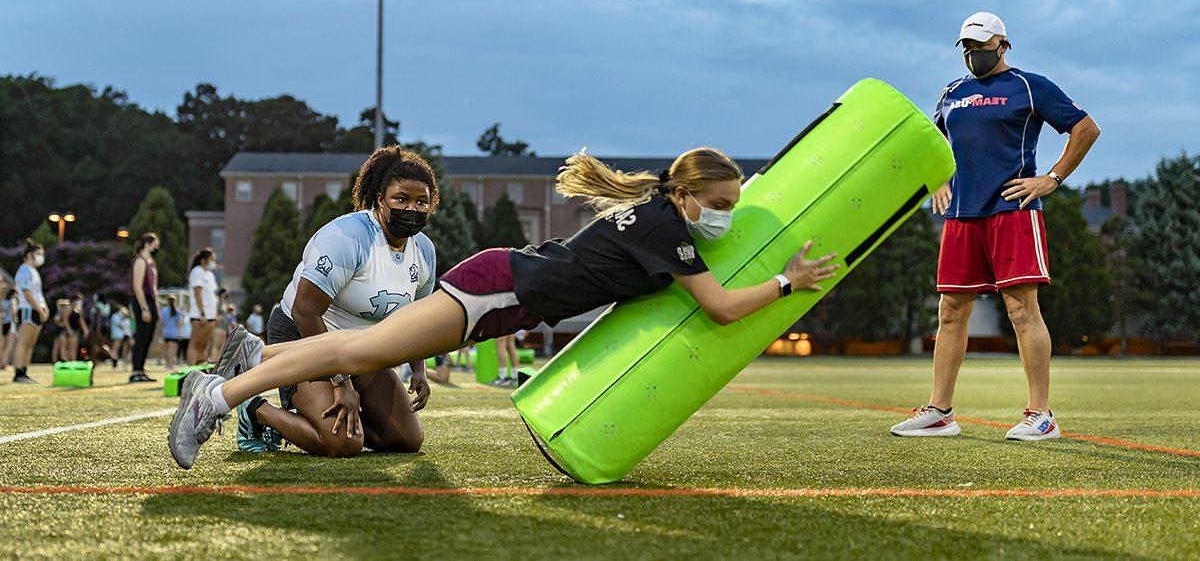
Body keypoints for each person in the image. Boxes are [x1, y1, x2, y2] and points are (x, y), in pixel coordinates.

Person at [169, 147, 841, 469]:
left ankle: (255, 358)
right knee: (354, 351)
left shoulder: (659, 214)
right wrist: (788, 282)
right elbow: (722, 308)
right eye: (719, 206)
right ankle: (219, 395)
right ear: (688, 196)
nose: (723, 218)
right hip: (498, 289)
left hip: (501, 288)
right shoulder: (666, 225)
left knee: (362, 354)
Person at [890, 12, 1102, 441]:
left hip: (1012, 210)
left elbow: (1085, 128)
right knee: (950, 312)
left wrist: (1052, 178)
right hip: (962, 215)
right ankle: (940, 412)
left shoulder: (1029, 86)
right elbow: (936, 148)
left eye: (981, 46)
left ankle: (1041, 415)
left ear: (1003, 45)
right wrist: (938, 181)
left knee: (1022, 311)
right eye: (967, 47)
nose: (973, 54)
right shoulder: (952, 94)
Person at [231, 145, 438, 457]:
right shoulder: (348, 236)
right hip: (304, 336)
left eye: (421, 201)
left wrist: (418, 370)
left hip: (360, 348)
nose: (412, 209)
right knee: (342, 443)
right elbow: (305, 310)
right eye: (401, 199)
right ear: (380, 199)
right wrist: (342, 384)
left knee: (406, 439)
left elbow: (416, 318)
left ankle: (328, 413)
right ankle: (256, 410)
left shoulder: (423, 250)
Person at [12, 240, 49, 383]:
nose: (41, 256)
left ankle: (24, 371)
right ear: (29, 254)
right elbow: (27, 293)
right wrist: (39, 309)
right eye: (38, 253)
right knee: (23, 342)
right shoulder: (24, 270)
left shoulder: (34, 271)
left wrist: (45, 309)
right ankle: (18, 373)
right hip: (28, 310)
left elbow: (38, 293)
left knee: (30, 344)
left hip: (36, 310)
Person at [129, 233, 160, 383]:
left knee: (148, 338)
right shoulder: (140, 261)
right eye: (155, 243)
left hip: (151, 300)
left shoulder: (151, 262)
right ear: (148, 243)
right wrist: (144, 308)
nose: (157, 247)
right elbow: (137, 286)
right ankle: (135, 370)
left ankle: (141, 369)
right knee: (141, 337)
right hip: (142, 301)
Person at [187, 248, 220, 365]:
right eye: (211, 259)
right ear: (203, 260)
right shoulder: (197, 272)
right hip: (199, 315)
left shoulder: (210, 275)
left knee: (204, 344)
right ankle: (190, 370)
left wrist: (214, 315)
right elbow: (197, 293)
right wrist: (202, 313)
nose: (213, 262)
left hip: (210, 315)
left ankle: (200, 368)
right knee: (195, 343)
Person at [160, 296, 184, 369]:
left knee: (166, 349)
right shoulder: (178, 311)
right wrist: (180, 333)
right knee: (172, 350)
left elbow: (161, 322)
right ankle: (171, 364)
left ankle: (167, 364)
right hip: (174, 333)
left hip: (165, 332)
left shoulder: (163, 310)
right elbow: (179, 324)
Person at [0, 282, 16, 371]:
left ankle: (0, 363)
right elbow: (14, 312)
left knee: (2, 345)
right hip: (11, 324)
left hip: (3, 324)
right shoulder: (12, 301)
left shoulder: (3, 301)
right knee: (8, 346)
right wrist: (16, 318)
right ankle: (4, 364)